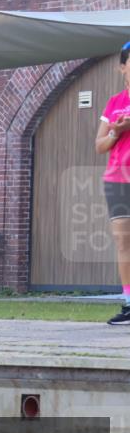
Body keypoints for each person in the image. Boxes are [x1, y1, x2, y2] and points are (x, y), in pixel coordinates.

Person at [94, 41, 130, 325]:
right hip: (118, 179)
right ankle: (129, 303)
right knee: (123, 243)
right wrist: (117, 133)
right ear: (122, 67)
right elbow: (100, 145)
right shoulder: (114, 103)